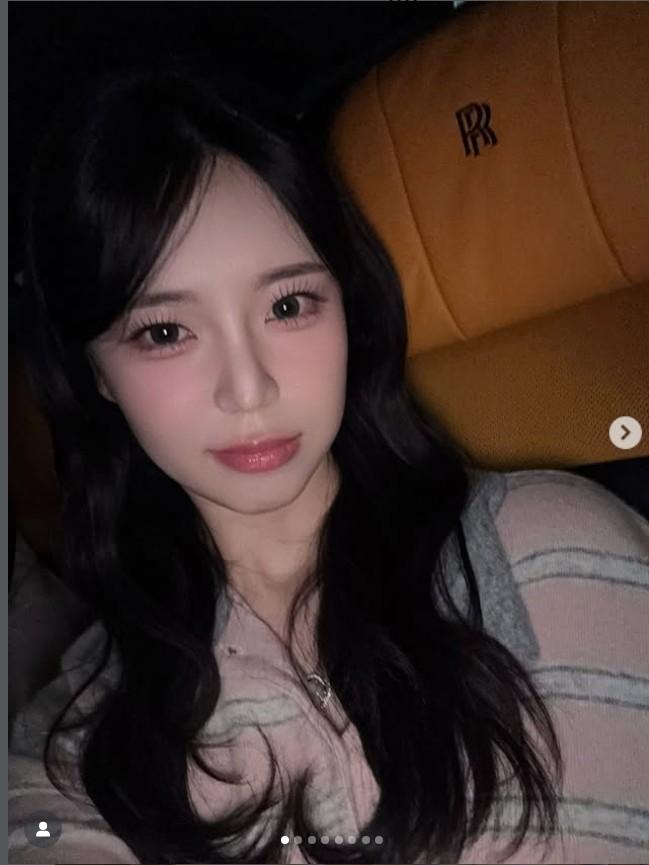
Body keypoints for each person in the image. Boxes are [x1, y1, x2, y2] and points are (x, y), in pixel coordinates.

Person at [9, 66, 649, 865]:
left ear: (346, 303)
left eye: (287, 305)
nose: (249, 388)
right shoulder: (75, 748)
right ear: (97, 372)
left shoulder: (550, 551)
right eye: (165, 331)